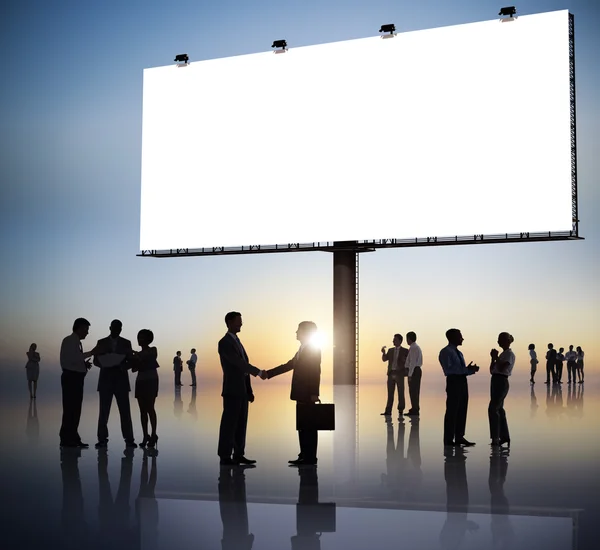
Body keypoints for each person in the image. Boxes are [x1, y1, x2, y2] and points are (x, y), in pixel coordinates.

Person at [263, 321, 322, 466]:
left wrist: (314, 393)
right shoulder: (302, 349)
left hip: (307, 394)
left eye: (298, 330)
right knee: (302, 425)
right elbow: (289, 365)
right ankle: (304, 455)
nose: (296, 332)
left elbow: (315, 372)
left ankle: (310, 457)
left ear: (306, 332)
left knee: (309, 426)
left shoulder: (313, 349)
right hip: (301, 393)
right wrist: (268, 374)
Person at [217, 312, 265, 466]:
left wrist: (249, 390)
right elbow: (239, 363)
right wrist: (258, 372)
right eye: (239, 321)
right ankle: (225, 456)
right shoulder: (224, 343)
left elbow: (243, 368)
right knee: (229, 424)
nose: (241, 324)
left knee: (241, 423)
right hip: (232, 389)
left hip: (243, 390)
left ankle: (238, 454)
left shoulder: (238, 342)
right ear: (229, 322)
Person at [93, 320, 136, 449]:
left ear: (121, 329)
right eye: (115, 327)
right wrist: (105, 363)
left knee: (125, 412)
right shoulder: (101, 342)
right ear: (110, 327)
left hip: (121, 380)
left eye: (119, 328)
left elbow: (131, 361)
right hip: (106, 380)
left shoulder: (126, 343)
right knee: (103, 412)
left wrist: (124, 366)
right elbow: (95, 360)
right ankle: (102, 439)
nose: (117, 329)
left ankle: (129, 439)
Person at [59, 318, 98, 448]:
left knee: (75, 409)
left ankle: (73, 437)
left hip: (75, 378)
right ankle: (66, 438)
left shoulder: (74, 342)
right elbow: (73, 358)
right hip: (71, 378)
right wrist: (91, 353)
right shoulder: (70, 341)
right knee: (71, 408)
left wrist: (83, 364)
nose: (87, 333)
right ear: (80, 328)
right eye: (86, 329)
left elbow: (73, 359)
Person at [438, 328, 480, 447]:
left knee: (462, 409)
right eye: (460, 336)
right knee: (452, 410)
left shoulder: (459, 353)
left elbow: (459, 369)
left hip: (462, 381)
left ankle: (459, 437)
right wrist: (467, 370)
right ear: (453, 338)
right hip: (453, 382)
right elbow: (448, 369)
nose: (462, 338)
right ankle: (449, 439)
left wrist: (469, 370)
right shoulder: (445, 352)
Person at [130, 329, 160, 448]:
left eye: (142, 338)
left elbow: (149, 356)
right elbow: (133, 368)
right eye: (139, 337)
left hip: (151, 381)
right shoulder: (138, 354)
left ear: (148, 339)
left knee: (150, 408)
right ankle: (145, 435)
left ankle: (153, 434)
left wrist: (137, 356)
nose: (139, 340)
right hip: (141, 381)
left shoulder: (153, 350)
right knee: (142, 410)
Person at [488, 332, 515, 447]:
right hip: (495, 380)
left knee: (493, 409)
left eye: (501, 339)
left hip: (501, 381)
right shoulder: (503, 354)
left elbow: (502, 367)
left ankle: (496, 438)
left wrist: (496, 358)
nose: (498, 341)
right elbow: (492, 369)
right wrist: (493, 359)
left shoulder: (509, 354)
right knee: (499, 409)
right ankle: (503, 436)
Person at [380, 334, 409, 416]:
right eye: (393, 339)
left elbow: (408, 362)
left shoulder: (405, 351)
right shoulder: (390, 350)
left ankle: (401, 410)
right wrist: (383, 353)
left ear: (400, 341)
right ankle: (388, 411)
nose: (393, 341)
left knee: (401, 392)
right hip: (391, 373)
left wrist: (405, 369)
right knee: (390, 393)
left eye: (395, 339)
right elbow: (384, 359)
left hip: (399, 374)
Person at [404, 332, 423, 417]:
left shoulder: (413, 348)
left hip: (414, 371)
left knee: (413, 390)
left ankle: (415, 409)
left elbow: (412, 362)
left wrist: (410, 375)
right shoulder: (415, 347)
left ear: (409, 339)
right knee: (414, 390)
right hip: (416, 370)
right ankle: (414, 408)